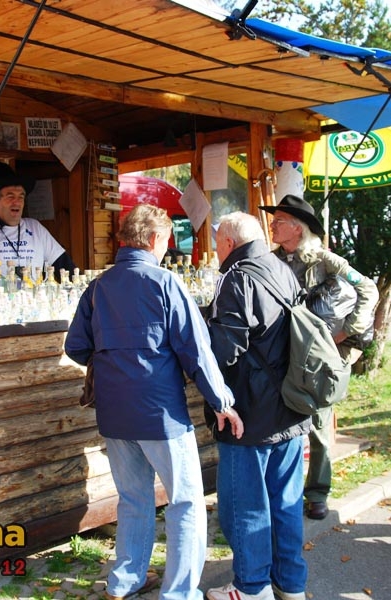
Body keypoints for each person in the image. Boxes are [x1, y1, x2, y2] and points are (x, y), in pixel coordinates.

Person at [65, 204, 244, 600]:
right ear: (152, 239)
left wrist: (115, 361)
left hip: (114, 412)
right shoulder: (165, 283)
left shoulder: (98, 287)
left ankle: (123, 582)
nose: (166, 249)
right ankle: (178, 593)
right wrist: (221, 401)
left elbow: (75, 346)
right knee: (186, 503)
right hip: (160, 412)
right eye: (165, 241)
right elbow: (196, 350)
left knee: (133, 499)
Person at [204, 212, 311, 600]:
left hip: (249, 414)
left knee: (244, 505)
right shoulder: (283, 269)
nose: (216, 250)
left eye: (217, 243)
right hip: (291, 406)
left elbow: (225, 350)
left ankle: (250, 586)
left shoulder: (236, 277)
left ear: (229, 243)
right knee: (286, 503)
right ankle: (290, 583)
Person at [259, 195, 379, 521]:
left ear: (297, 228)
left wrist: (345, 333)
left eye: (279, 220)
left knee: (320, 426)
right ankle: (281, 494)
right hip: (282, 355)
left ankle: (317, 493)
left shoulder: (326, 260)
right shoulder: (270, 261)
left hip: (318, 361)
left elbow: (368, 289)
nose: (272, 225)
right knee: (280, 424)